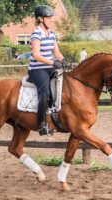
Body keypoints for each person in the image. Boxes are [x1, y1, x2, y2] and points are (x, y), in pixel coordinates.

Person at [28, 5, 66, 136]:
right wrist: (53, 62)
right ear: (40, 19)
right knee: (45, 93)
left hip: (49, 67)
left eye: (51, 17)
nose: (51, 20)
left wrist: (64, 60)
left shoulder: (52, 33)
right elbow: (36, 55)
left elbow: (56, 51)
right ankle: (41, 125)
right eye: (49, 17)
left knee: (64, 84)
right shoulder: (36, 33)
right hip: (37, 69)